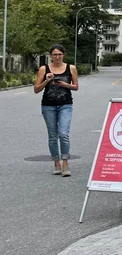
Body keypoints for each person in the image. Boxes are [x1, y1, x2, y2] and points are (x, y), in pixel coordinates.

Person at [34, 44, 78, 177]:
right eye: (54, 54)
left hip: (65, 104)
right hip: (48, 106)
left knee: (63, 134)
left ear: (63, 55)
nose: (57, 57)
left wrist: (65, 85)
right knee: (53, 136)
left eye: (59, 54)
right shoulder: (44, 69)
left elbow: (76, 87)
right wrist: (47, 81)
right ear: (50, 56)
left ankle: (65, 163)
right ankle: (56, 163)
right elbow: (36, 89)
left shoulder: (71, 68)